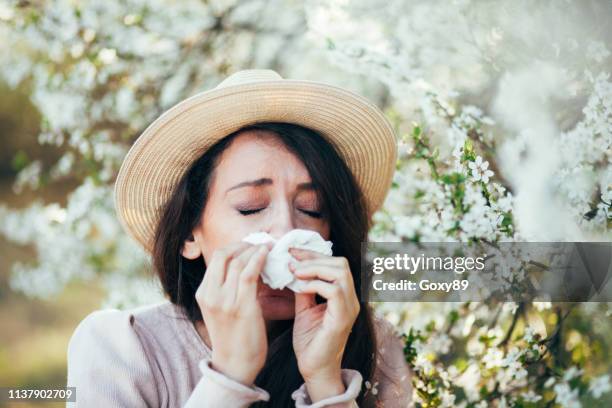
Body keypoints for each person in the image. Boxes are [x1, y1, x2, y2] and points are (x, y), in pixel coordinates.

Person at [66, 70, 413, 407]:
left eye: (312, 208)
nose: (285, 231)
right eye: (250, 208)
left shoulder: (376, 350)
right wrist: (229, 377)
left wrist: (325, 382)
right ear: (189, 233)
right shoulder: (120, 348)